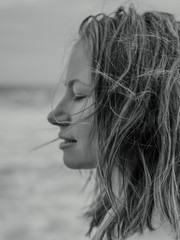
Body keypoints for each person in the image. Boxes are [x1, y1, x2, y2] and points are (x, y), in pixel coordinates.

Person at [47, 4, 180, 240]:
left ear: (136, 105)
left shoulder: (153, 233)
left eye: (79, 94)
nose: (55, 115)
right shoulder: (130, 217)